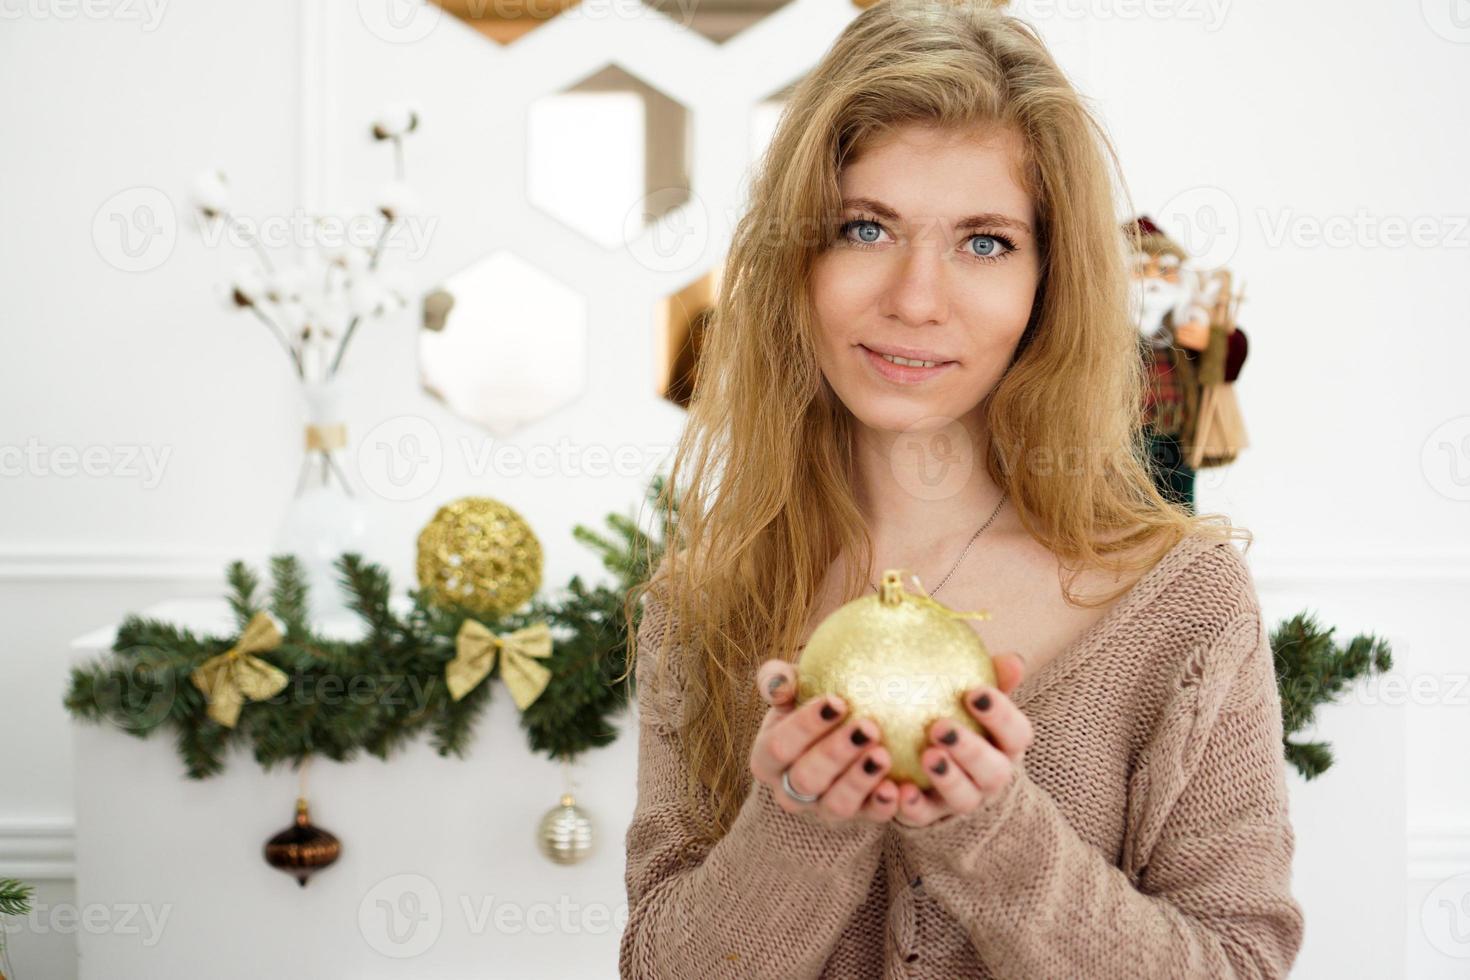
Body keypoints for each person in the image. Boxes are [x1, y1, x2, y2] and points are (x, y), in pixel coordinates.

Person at [618, 0, 1304, 976]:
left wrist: (996, 835)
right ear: (795, 261)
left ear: (1048, 282)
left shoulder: (1183, 601)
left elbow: (1238, 961)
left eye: (984, 241)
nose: (915, 298)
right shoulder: (704, 601)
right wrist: (801, 826)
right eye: (865, 227)